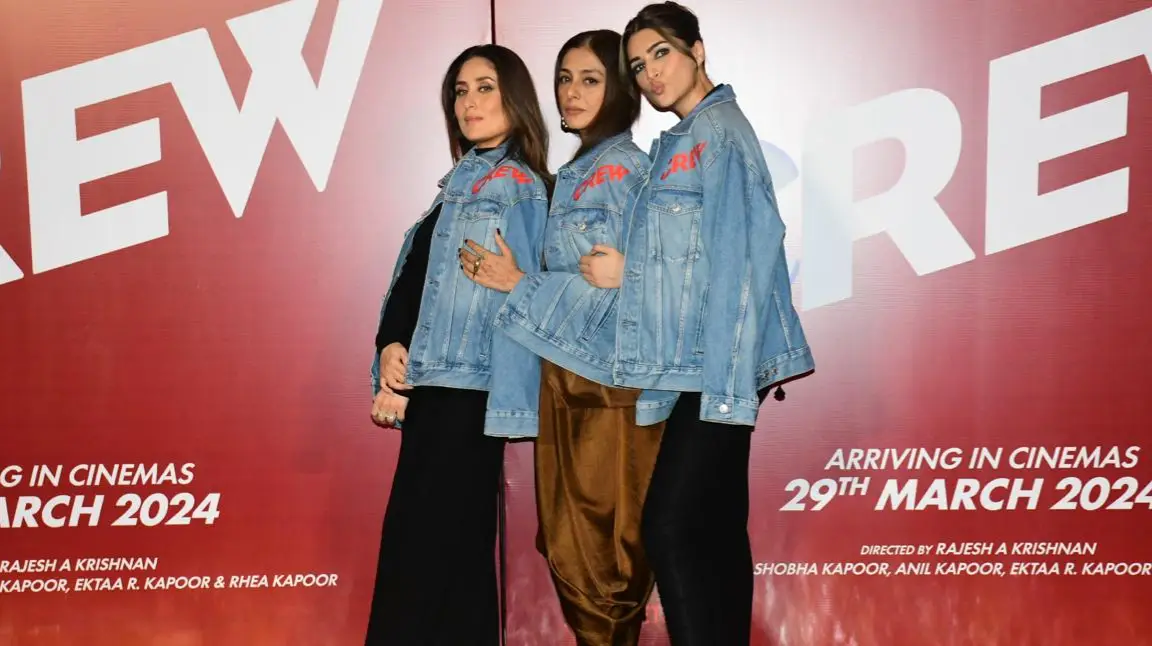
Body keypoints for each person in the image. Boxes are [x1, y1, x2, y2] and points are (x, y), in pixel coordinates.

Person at [579, 3, 817, 643]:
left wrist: (727, 386)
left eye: (661, 53)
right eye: (638, 66)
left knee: (672, 526)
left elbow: (742, 261)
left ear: (697, 50)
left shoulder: (718, 133)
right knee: (714, 529)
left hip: (718, 365)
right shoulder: (689, 138)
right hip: (700, 364)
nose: (650, 74)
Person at [459, 30, 664, 646]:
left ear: (621, 89)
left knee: (606, 563)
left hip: (611, 395)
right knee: (572, 553)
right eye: (564, 79)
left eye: (590, 79)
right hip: (567, 388)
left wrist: (519, 284)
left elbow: (627, 296)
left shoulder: (626, 173)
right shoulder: (578, 172)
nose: (571, 92)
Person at [364, 44, 551, 646]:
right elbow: (418, 283)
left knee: (423, 563)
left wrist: (506, 404)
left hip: (466, 396)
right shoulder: (460, 185)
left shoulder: (517, 189)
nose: (469, 102)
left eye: (485, 87)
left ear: (515, 98)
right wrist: (391, 347)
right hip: (437, 393)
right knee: (452, 565)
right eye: (460, 91)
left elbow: (522, 301)